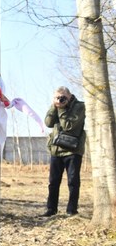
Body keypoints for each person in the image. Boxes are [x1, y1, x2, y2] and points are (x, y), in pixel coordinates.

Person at [42, 86, 86, 217]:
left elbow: (68, 126)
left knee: (73, 181)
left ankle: (72, 210)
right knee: (53, 182)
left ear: (70, 96)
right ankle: (51, 209)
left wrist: (61, 108)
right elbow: (48, 123)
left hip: (72, 150)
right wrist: (53, 106)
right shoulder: (57, 106)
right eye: (58, 97)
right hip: (56, 150)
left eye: (63, 97)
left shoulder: (79, 106)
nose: (61, 100)